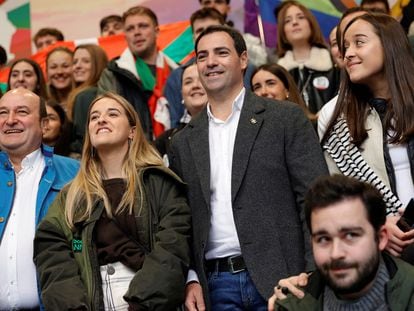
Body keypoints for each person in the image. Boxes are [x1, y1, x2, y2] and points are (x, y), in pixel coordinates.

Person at [170, 25, 328, 310]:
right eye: (202, 56)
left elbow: (316, 200)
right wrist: (191, 278)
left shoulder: (284, 118)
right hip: (215, 288)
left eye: (221, 52)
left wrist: (313, 272)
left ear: (243, 60)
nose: (211, 62)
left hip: (286, 279)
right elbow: (183, 218)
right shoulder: (183, 141)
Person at [34, 92, 191, 310]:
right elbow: (53, 249)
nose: (101, 119)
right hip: (90, 299)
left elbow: (172, 248)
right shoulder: (73, 195)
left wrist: (142, 304)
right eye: (94, 117)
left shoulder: (159, 183)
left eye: (112, 114)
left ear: (132, 131)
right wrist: (73, 306)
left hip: (148, 300)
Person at [320, 13, 414, 259]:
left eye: (359, 42)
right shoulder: (336, 122)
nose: (348, 53)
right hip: (388, 256)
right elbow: (341, 199)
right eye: (345, 47)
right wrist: (380, 225)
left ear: (389, 45)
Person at [270, 175, 414, 311]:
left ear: (381, 238)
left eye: (351, 236)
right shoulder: (293, 304)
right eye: (323, 239)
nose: (336, 253)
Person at [0, 88, 79, 310]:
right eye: (2, 113)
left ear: (44, 125)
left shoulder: (75, 174)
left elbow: (85, 241)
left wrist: (77, 247)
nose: (10, 120)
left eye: (21, 111)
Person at [98, 5, 178, 140]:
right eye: (130, 29)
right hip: (133, 154)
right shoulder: (112, 74)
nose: (137, 32)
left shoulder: (177, 72)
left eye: (143, 26)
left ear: (157, 31)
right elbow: (106, 120)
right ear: (125, 36)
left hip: (175, 150)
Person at [276, 0, 339, 114]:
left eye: (300, 17)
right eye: (287, 21)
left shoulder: (333, 60)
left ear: (311, 23)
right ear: (282, 30)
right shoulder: (278, 73)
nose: (295, 22)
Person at [155, 62, 208, 163]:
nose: (195, 86)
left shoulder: (230, 127)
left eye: (201, 79)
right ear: (182, 94)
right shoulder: (165, 141)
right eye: (188, 82)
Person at [68, 44, 109, 154]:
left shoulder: (85, 96)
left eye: (85, 61)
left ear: (98, 65)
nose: (78, 66)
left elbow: (84, 141)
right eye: (75, 62)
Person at [250, 63, 315, 121]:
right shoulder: (249, 128)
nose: (263, 92)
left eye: (270, 83)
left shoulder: (312, 125)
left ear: (287, 90)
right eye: (257, 87)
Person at [46, 46, 74, 112]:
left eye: (65, 66)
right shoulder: (41, 101)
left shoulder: (84, 99)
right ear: (46, 72)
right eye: (53, 67)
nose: (59, 72)